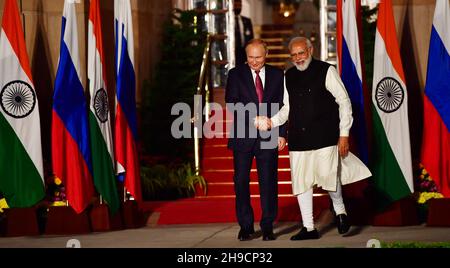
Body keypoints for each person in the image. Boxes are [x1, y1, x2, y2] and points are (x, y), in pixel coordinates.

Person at [255, 37, 371, 240]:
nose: (298, 58)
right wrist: (272, 122)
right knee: (302, 183)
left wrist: (344, 134)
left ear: (310, 50)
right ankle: (309, 228)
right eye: (294, 55)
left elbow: (344, 102)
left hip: (326, 135)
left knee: (329, 178)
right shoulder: (288, 76)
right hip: (299, 139)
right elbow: (287, 108)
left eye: (301, 53)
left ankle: (340, 211)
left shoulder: (327, 70)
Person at [226, 39, 287, 241]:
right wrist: (254, 119)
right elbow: (232, 103)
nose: (254, 61)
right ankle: (246, 225)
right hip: (243, 135)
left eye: (258, 57)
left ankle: (268, 225)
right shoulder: (235, 74)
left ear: (266, 54)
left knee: (268, 182)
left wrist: (282, 133)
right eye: (250, 57)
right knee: (241, 181)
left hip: (269, 135)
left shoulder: (278, 74)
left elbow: (282, 106)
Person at [234, 0, 254, 66]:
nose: (238, 7)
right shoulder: (229, 21)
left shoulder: (247, 21)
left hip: (244, 52)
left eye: (239, 5)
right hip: (233, 51)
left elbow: (251, 38)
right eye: (236, 5)